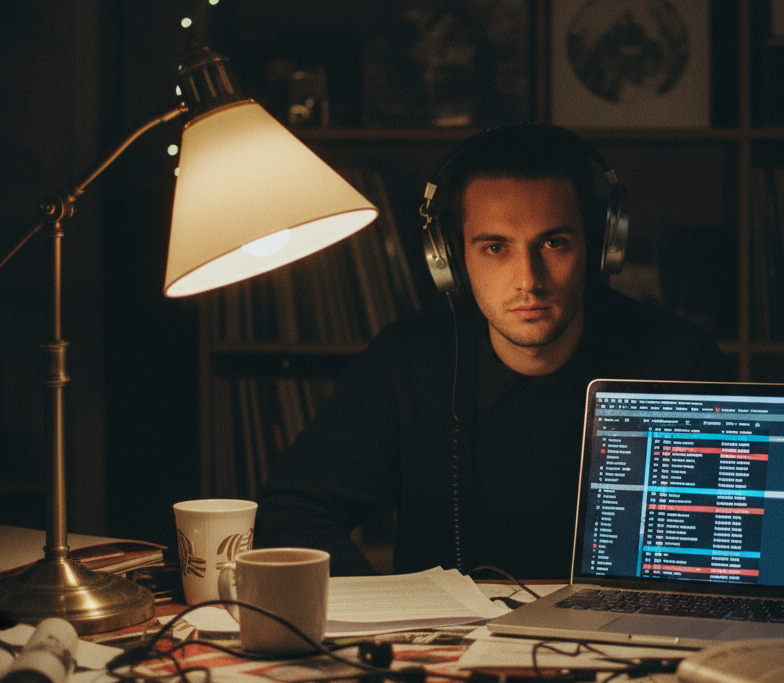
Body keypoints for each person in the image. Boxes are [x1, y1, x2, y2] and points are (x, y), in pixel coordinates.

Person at [256, 124, 725, 579]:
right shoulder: (407, 361)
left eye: (554, 242)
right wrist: (391, 614)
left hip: (622, 647)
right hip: (444, 651)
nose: (529, 278)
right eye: (496, 247)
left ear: (600, 247)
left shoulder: (680, 359)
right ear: (451, 259)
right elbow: (292, 515)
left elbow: (720, 542)